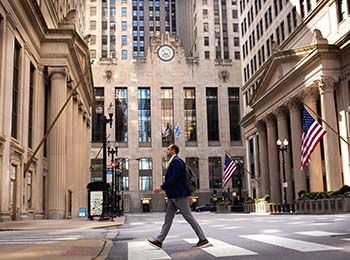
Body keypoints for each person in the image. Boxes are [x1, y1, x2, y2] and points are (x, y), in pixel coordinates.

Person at [147, 144, 209, 249]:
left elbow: (175, 178)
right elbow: (179, 179)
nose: (166, 150)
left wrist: (161, 187)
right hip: (173, 195)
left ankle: (203, 239)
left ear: (173, 150)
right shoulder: (174, 162)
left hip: (179, 195)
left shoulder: (177, 162)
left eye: (168, 149)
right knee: (168, 218)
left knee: (189, 217)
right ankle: (159, 241)